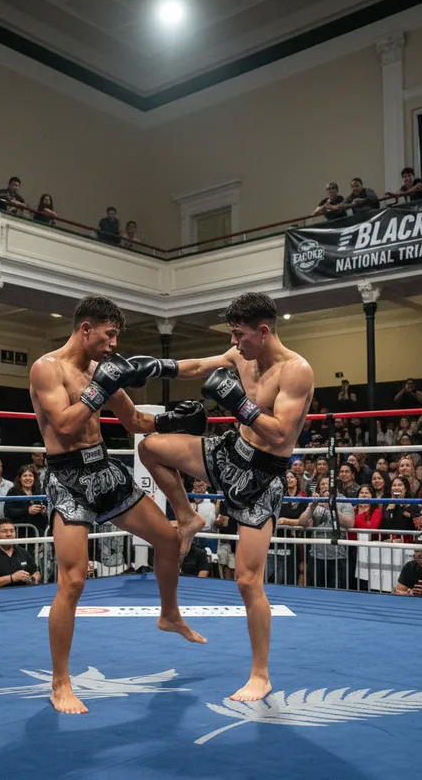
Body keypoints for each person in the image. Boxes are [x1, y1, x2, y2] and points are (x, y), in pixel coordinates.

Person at [29, 294, 208, 714]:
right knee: (72, 581)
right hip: (67, 476)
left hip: (103, 469)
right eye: (109, 336)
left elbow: (133, 422)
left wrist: (170, 421)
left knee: (168, 541)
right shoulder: (47, 368)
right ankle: (60, 682)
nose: (113, 346)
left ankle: (168, 615)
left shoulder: (99, 370)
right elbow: (65, 424)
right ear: (86, 328)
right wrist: (100, 388)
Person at [137, 292, 315, 702]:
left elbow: (283, 434)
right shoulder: (242, 358)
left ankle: (260, 674)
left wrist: (240, 405)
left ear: (263, 330)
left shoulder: (296, 371)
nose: (235, 344)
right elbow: (198, 366)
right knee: (150, 448)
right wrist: (150, 366)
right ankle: (187, 517)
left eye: (240, 335)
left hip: (261, 476)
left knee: (248, 580)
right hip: (230, 452)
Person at [0, 518, 41, 588]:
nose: (9, 534)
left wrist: (33, 579)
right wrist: (11, 578)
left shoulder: (23, 552)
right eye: (4, 531)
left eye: (12, 531)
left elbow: (36, 572)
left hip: (23, 593)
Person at [4, 464, 47, 531]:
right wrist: (27, 511)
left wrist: (44, 512)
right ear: (20, 478)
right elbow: (8, 512)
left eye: (30, 475)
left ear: (34, 478)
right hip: (20, 533)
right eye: (25, 476)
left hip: (38, 533)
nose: (28, 478)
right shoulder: (13, 492)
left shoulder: (39, 492)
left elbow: (48, 510)